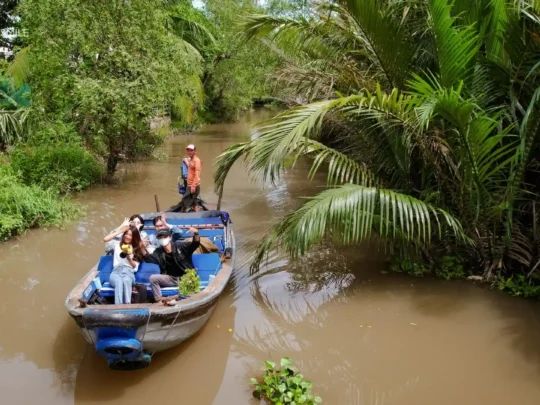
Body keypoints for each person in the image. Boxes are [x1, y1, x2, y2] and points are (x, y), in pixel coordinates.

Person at [142, 227, 200, 303]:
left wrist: (196, 233)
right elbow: (148, 258)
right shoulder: (158, 251)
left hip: (186, 277)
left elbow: (195, 244)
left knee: (187, 295)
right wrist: (141, 246)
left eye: (165, 237)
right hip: (171, 278)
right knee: (153, 278)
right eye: (160, 238)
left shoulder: (181, 246)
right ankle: (159, 301)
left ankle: (178, 299)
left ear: (170, 237)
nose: (162, 239)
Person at [103, 224, 143, 304]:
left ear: (134, 237)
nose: (127, 237)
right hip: (116, 272)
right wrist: (120, 231)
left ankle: (128, 305)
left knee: (126, 280)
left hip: (129, 272)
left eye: (130, 235)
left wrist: (129, 258)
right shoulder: (117, 244)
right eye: (126, 234)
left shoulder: (136, 249)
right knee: (118, 282)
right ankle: (118, 307)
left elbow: (135, 267)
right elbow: (105, 239)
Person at [181, 144, 202, 212]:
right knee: (194, 202)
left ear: (194, 151)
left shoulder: (196, 161)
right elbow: (190, 167)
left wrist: (193, 186)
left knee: (184, 201)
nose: (189, 152)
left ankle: (180, 216)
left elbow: (197, 175)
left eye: (191, 150)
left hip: (193, 186)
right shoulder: (191, 160)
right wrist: (185, 160)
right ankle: (196, 215)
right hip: (190, 185)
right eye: (188, 150)